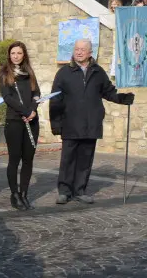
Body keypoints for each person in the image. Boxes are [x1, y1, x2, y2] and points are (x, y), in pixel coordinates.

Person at [49, 39, 134, 205]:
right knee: (68, 159)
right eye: (76, 49)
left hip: (91, 124)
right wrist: (56, 123)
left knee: (85, 159)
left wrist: (123, 98)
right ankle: (64, 191)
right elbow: (55, 100)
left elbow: (109, 92)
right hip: (70, 124)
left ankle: (80, 190)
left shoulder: (98, 72)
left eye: (82, 49)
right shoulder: (64, 73)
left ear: (90, 53)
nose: (79, 52)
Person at [0, 42, 40, 211]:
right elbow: (7, 97)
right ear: (9, 55)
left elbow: (36, 93)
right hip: (15, 120)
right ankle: (14, 194)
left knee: (28, 159)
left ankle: (24, 193)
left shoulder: (29, 72)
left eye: (19, 53)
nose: (16, 56)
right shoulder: (4, 73)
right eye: (13, 53)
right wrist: (24, 111)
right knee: (14, 159)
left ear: (24, 55)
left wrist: (33, 111)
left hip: (31, 120)